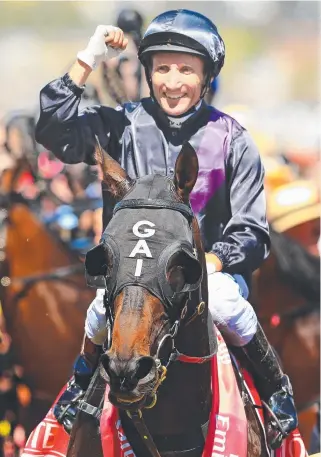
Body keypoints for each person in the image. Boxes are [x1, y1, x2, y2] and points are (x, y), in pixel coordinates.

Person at [35, 9, 298, 448]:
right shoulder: (120, 125)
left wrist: (213, 260)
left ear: (206, 75)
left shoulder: (234, 139)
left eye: (185, 70)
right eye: (162, 68)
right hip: (132, 278)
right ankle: (77, 396)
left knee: (230, 305)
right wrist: (89, 55)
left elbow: (252, 230)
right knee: (99, 313)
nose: (172, 82)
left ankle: (277, 397)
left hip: (202, 279)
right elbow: (53, 128)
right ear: (149, 72)